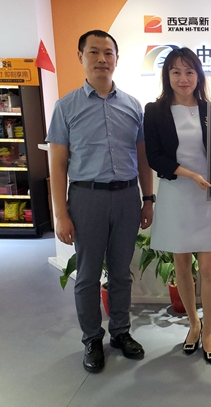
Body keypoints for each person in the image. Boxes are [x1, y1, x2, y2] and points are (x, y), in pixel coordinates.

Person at [47, 30, 154, 373]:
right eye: (93, 52)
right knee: (88, 275)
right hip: (86, 199)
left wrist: (148, 199)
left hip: (126, 197)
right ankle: (92, 339)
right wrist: (61, 214)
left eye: (108, 52)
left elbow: (142, 158)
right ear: (81, 57)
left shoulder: (133, 106)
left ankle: (120, 332)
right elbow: (57, 165)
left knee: (121, 273)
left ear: (116, 59)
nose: (102, 59)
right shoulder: (66, 107)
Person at [144, 47, 211, 364]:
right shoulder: (155, 111)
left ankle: (208, 331)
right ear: (167, 76)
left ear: (199, 75)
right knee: (182, 266)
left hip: (207, 196)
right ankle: (193, 324)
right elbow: (155, 157)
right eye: (176, 72)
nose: (183, 78)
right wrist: (190, 174)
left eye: (190, 71)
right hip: (177, 193)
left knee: (208, 268)